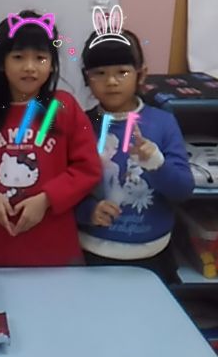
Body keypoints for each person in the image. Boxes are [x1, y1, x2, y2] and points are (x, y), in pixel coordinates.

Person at [0, 11, 102, 266]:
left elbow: (89, 167)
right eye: (18, 57)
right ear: (1, 62)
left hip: (55, 246)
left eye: (40, 58)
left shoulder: (64, 106)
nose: (29, 67)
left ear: (52, 64)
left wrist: (47, 198)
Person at [74, 24, 194, 284]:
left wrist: (156, 162)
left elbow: (183, 190)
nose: (111, 81)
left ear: (141, 74)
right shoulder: (80, 125)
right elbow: (68, 189)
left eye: (122, 72)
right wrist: (88, 211)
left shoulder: (163, 122)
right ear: (86, 78)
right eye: (100, 73)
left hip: (153, 256)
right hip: (92, 255)